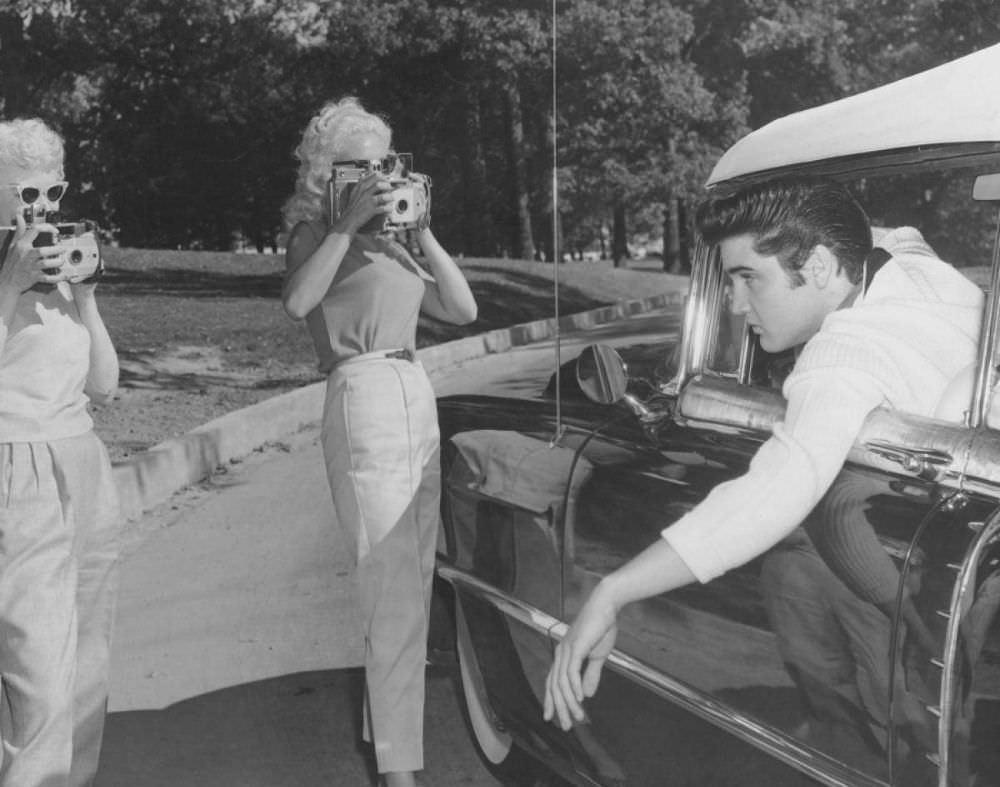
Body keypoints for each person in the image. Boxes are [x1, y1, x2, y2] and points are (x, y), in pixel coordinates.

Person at [543, 177, 984, 731]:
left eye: (750, 277)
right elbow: (899, 239)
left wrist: (614, 589)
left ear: (821, 267)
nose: (734, 302)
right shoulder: (922, 274)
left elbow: (778, 485)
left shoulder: (843, 355)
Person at [281, 97, 477, 787]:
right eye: (358, 165)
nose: (376, 175)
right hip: (361, 392)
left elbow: (461, 308)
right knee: (389, 591)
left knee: (411, 591)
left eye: (384, 163)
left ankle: (393, 754)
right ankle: (400, 774)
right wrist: (347, 224)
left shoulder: (391, 241)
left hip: (412, 388)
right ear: (326, 172)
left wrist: (420, 234)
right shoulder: (315, 233)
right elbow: (299, 302)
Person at [0, 117, 121, 786]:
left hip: (82, 461)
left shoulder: (62, 265)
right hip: (16, 467)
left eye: (51, 193)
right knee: (38, 678)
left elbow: (104, 386)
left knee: (85, 670)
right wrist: (8, 288)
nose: (41, 209)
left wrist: (91, 296)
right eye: (23, 194)